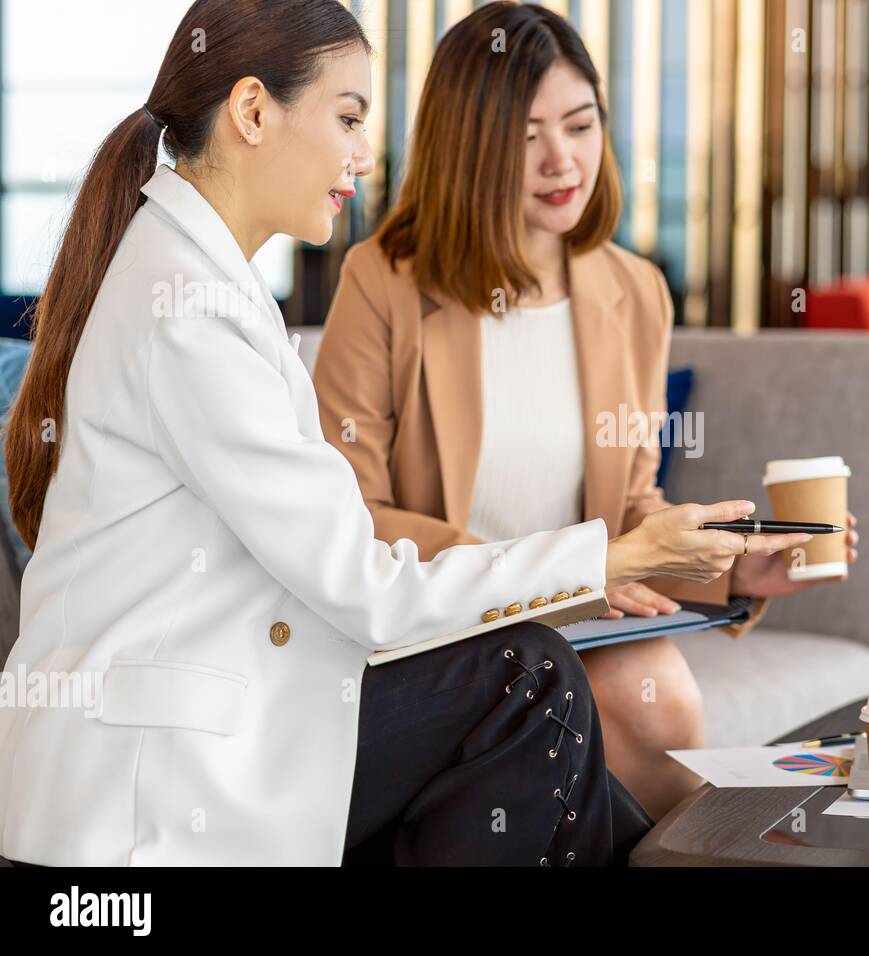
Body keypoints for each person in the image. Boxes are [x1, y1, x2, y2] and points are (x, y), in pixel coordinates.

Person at [0, 0, 806, 867]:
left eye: (580, 125)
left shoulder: (200, 276)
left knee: (589, 788)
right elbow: (363, 581)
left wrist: (689, 562)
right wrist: (608, 562)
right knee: (526, 681)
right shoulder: (192, 310)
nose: (361, 155)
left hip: (233, 707)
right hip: (155, 775)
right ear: (251, 112)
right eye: (347, 118)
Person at [313, 0, 858, 818]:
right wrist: (554, 579)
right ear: (468, 146)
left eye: (579, 124)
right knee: (650, 702)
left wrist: (739, 571)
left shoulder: (631, 292)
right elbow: (347, 515)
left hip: (578, 616)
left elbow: (631, 508)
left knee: (657, 693)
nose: (561, 159)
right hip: (444, 627)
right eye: (526, 136)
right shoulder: (383, 282)